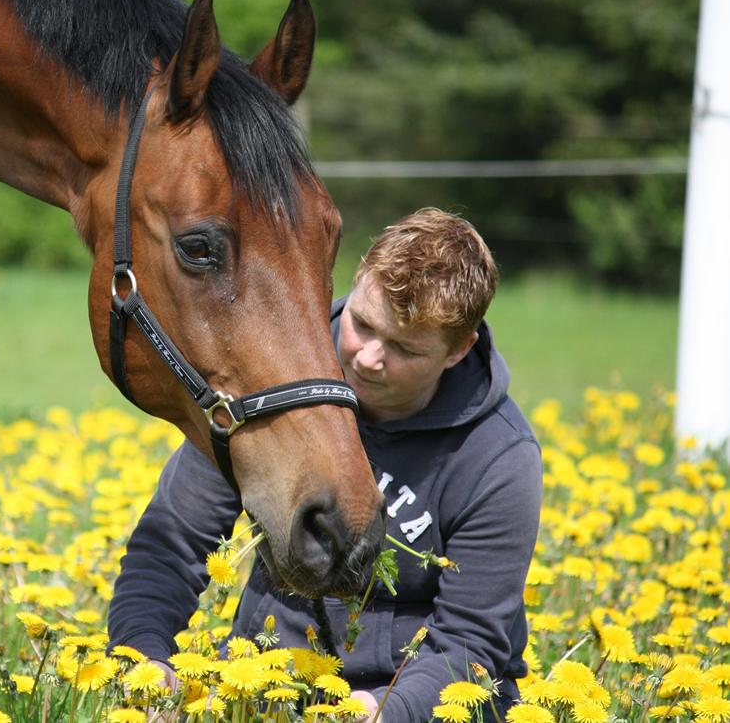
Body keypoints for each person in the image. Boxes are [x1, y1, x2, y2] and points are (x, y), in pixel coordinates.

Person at [107, 208, 542, 722]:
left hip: (411, 704)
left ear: (458, 350)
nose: (368, 358)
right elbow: (171, 543)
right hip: (263, 686)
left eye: (403, 348)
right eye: (363, 324)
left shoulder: (499, 457)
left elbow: (469, 644)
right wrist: (145, 656)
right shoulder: (270, 381)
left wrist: (383, 711)